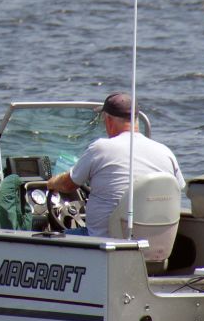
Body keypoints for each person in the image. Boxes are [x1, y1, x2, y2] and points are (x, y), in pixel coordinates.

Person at [46, 92, 184, 236]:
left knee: (46, 242)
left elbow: (68, 185)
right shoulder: (165, 152)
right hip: (154, 245)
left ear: (109, 120)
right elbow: (177, 189)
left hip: (101, 243)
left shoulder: (101, 149)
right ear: (136, 119)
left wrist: (52, 183)